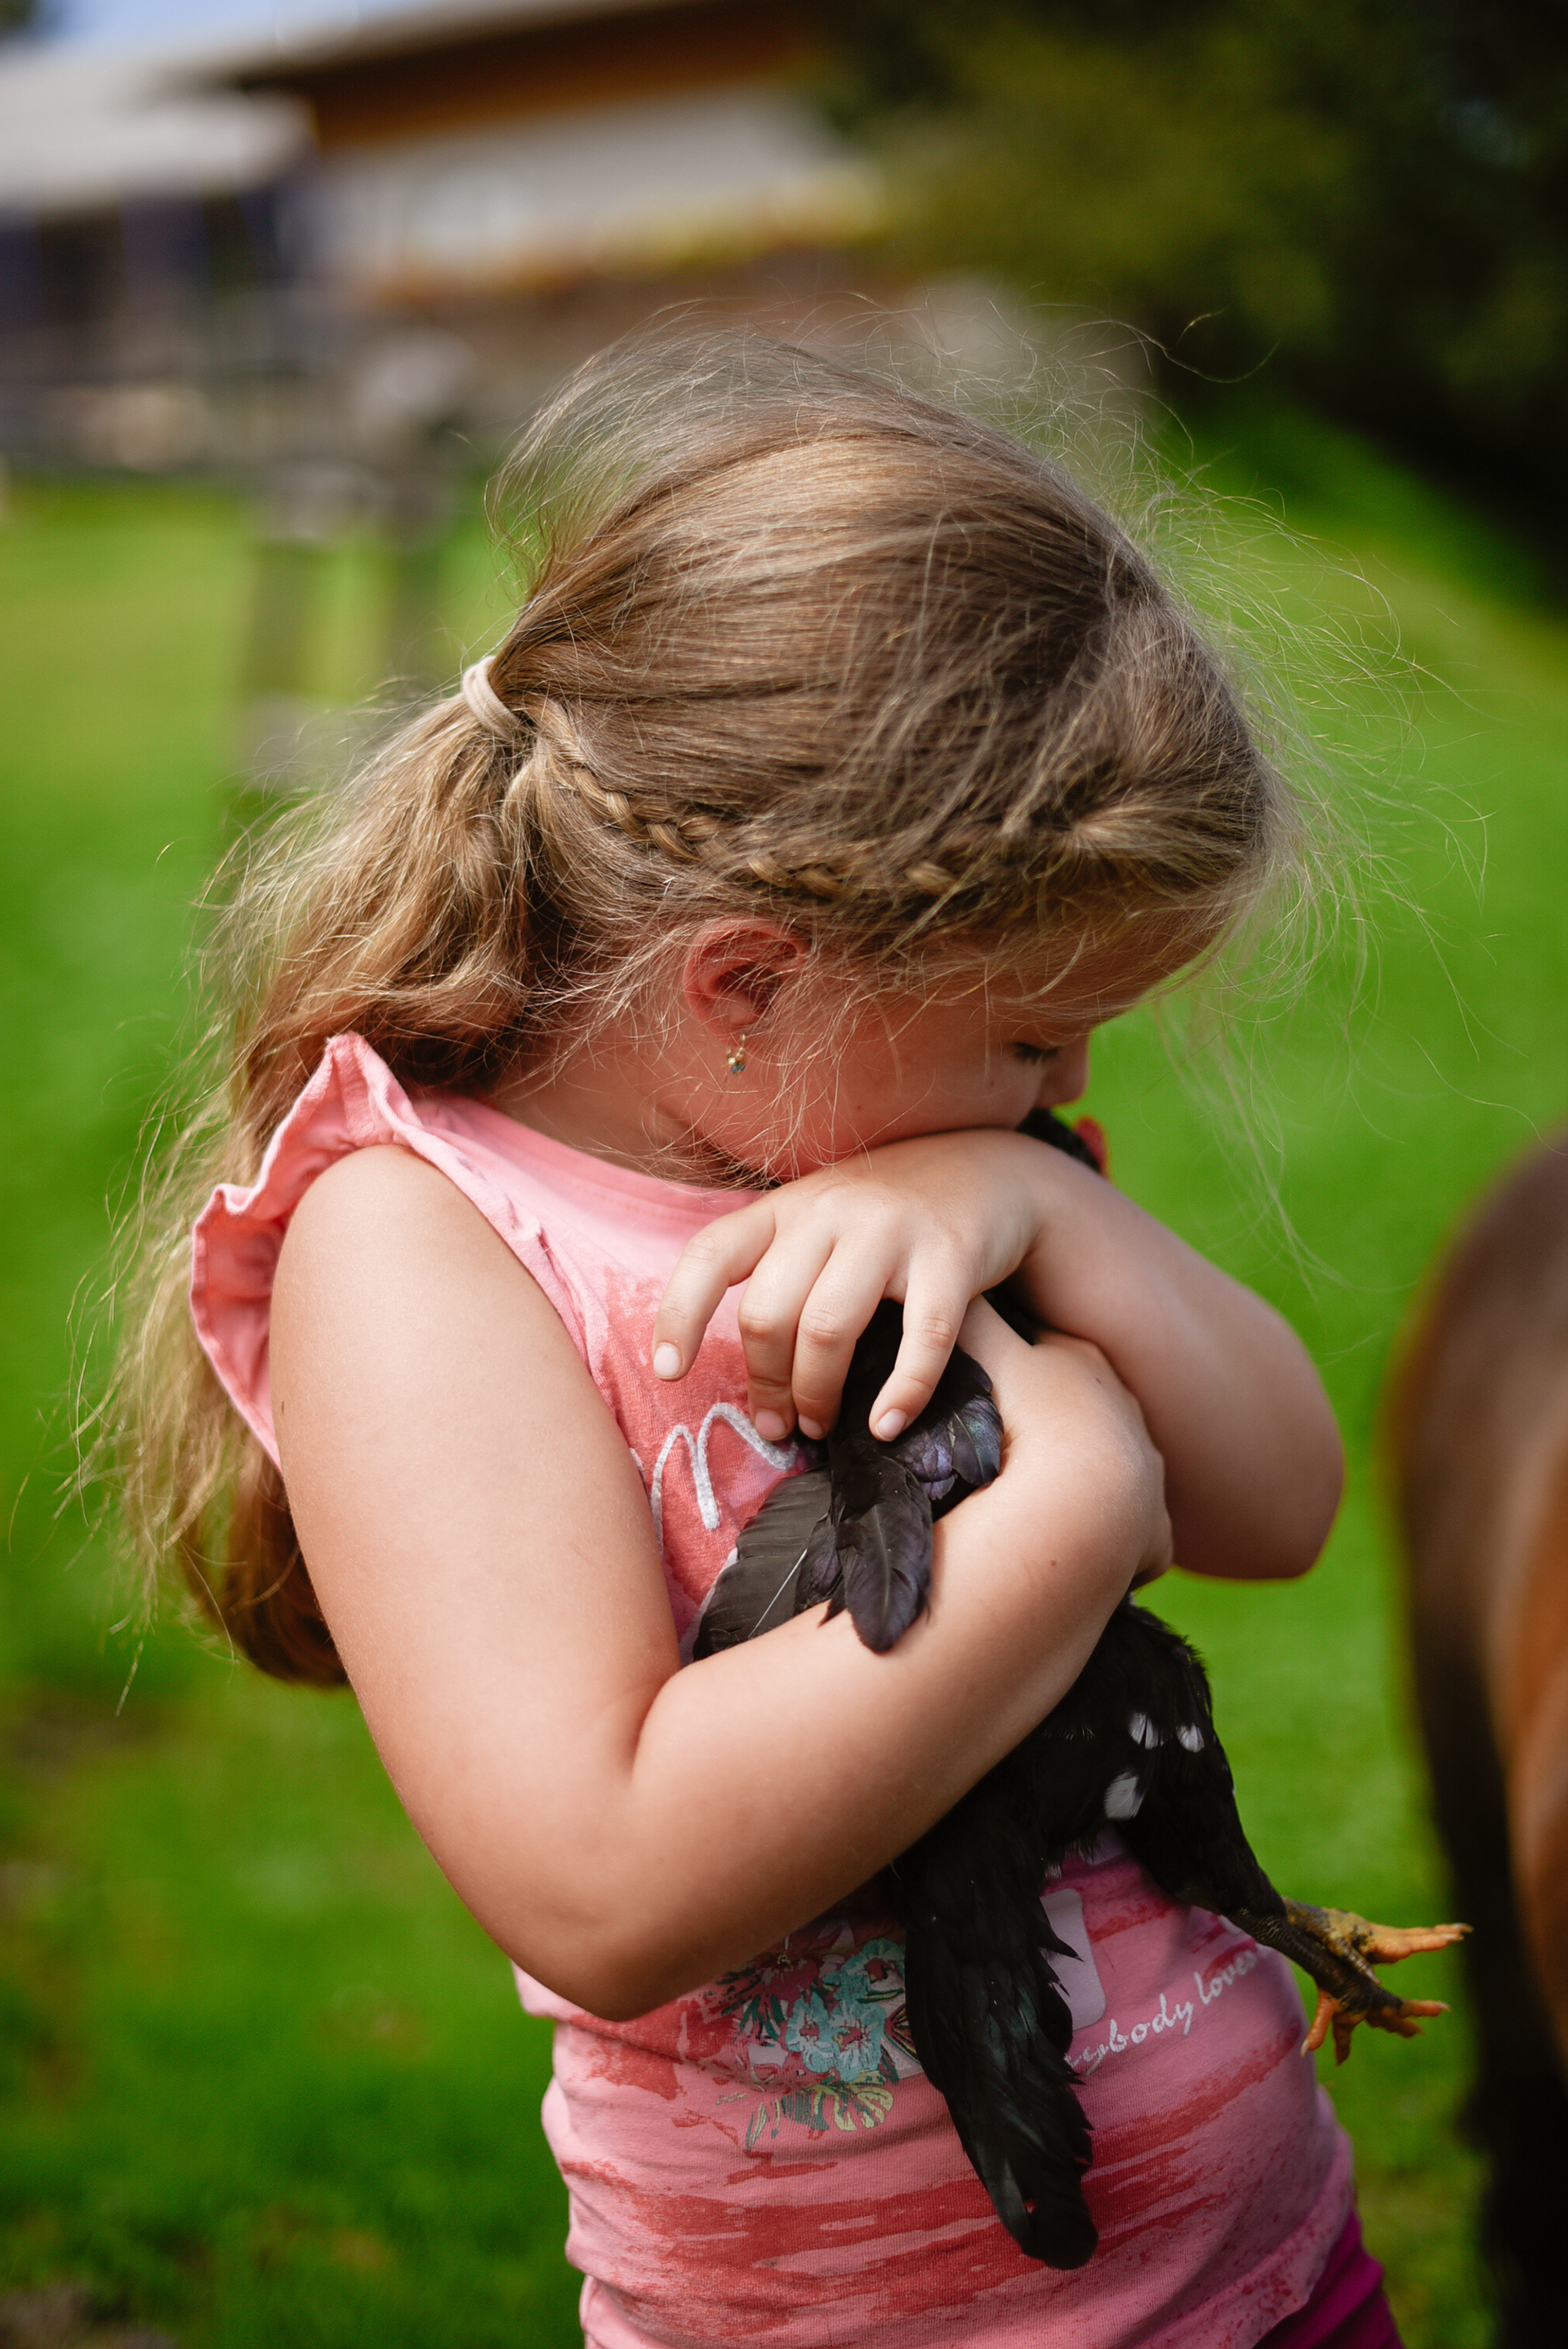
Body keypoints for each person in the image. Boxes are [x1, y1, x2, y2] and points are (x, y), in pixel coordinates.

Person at [124, 328, 1404, 2347]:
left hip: (1279, 2273)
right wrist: (1069, 1510)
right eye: (1034, 1034)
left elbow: (1285, 1502)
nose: (1064, 1086)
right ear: (748, 984)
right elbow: (605, 1885)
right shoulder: (427, 1249)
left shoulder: (933, 1157)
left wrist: (1055, 1207)